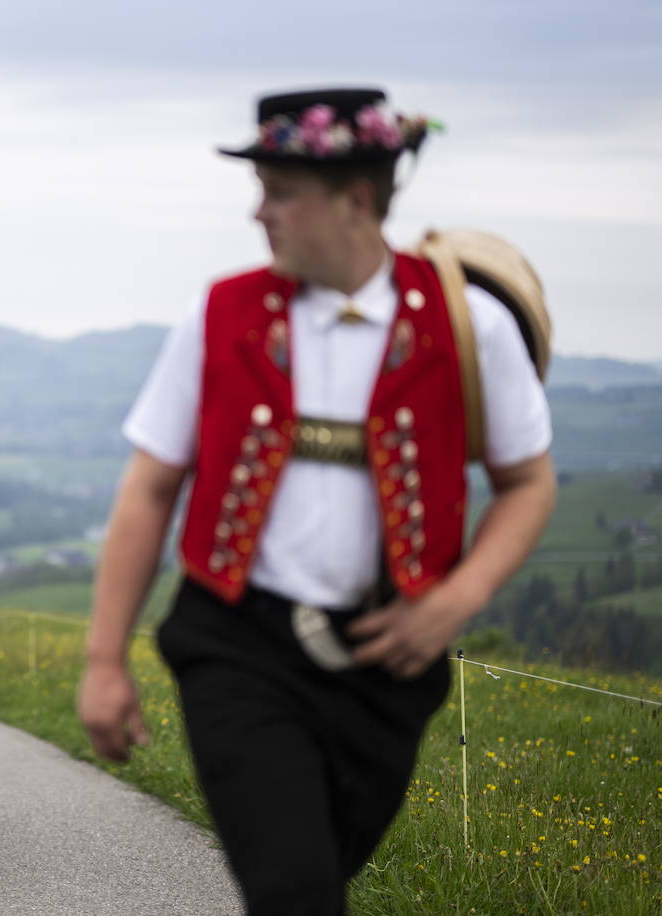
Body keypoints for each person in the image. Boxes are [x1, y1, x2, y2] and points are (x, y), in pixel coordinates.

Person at [76, 87, 557, 914]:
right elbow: (152, 488)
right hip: (237, 645)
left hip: (390, 663)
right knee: (297, 890)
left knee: (314, 879)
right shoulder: (218, 315)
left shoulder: (469, 324)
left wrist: (455, 602)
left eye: (281, 193)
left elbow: (528, 482)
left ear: (356, 200)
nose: (260, 214)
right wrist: (103, 660)